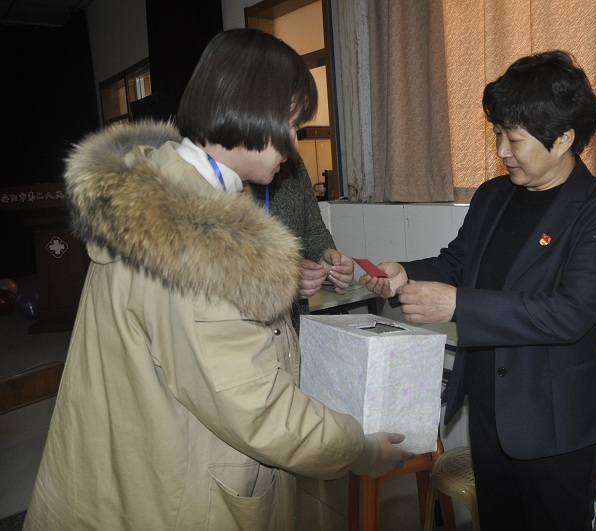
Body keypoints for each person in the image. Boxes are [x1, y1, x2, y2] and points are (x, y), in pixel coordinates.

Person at [23, 29, 412, 531]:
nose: (294, 145)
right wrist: (359, 449)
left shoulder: (161, 190)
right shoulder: (194, 239)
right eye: (292, 125)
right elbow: (257, 407)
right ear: (252, 111)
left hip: (137, 455)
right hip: (175, 488)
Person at [361, 51, 596, 531]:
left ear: (563, 138)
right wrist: (403, 273)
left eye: (514, 138)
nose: (502, 151)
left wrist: (458, 304)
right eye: (497, 135)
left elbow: (569, 313)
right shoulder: (494, 195)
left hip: (556, 425)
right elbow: (457, 263)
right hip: (491, 413)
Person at [249, 157, 354, 333]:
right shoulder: (214, 173)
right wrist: (282, 278)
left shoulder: (292, 161)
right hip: (244, 333)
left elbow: (313, 229)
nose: (295, 145)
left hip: (292, 326)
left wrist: (324, 255)